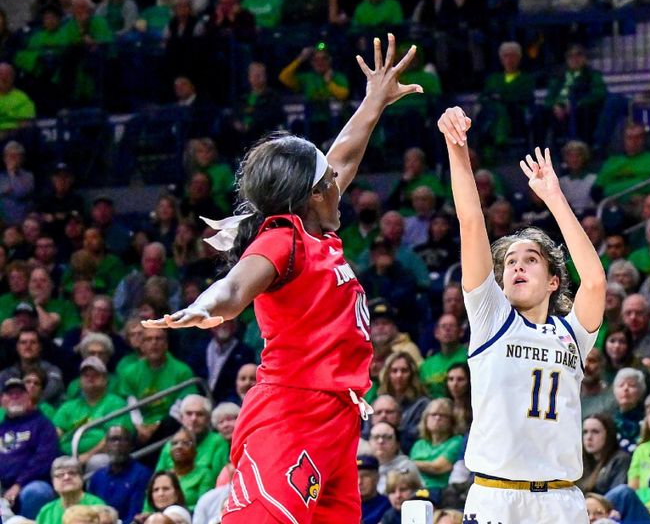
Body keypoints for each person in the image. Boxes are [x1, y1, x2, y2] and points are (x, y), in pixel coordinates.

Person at [143, 35, 422, 523]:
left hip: (336, 417)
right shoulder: (282, 236)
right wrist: (209, 306)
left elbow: (345, 155)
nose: (341, 182)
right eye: (329, 181)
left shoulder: (316, 230)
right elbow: (236, 285)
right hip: (292, 413)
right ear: (314, 195)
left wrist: (374, 99)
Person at [437, 105, 606, 522]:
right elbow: (472, 223)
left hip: (563, 499)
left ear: (552, 281)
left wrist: (554, 197)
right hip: (498, 496)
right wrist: (458, 150)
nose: (516, 266)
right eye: (510, 261)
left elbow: (596, 282)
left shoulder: (573, 332)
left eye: (530, 260)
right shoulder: (491, 316)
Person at [0, 377, 61, 519]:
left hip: (32, 484)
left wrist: (18, 484)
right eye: (10, 394)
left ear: (28, 398)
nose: (15, 397)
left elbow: (44, 459)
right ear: (2, 401)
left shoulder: (42, 424)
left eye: (19, 393)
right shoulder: (1, 429)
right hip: (3, 486)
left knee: (37, 492)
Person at [87, 426, 152, 524]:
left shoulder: (142, 474)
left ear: (131, 445)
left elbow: (135, 516)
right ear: (106, 446)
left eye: (123, 440)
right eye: (113, 440)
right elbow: (91, 512)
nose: (117, 444)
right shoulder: (97, 476)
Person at [410, 398, 463, 490]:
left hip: (440, 491)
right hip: (415, 490)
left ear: (452, 421)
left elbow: (439, 467)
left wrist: (409, 463)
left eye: (443, 415)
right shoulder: (419, 444)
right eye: (433, 414)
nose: (437, 418)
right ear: (426, 419)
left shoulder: (456, 441)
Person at [36, 457, 106, 524]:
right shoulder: (46, 511)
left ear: (81, 479)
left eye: (72, 473)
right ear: (53, 483)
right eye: (60, 475)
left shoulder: (96, 505)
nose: (66, 477)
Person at [578, 413, 631, 494]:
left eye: (595, 432)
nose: (589, 437)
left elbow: (616, 496)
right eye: (585, 432)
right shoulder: (580, 463)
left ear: (608, 434)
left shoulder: (620, 460)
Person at [358, 455, 391, 524]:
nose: (359, 482)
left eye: (365, 476)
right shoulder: (346, 506)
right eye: (355, 476)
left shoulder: (388, 505)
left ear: (377, 477)